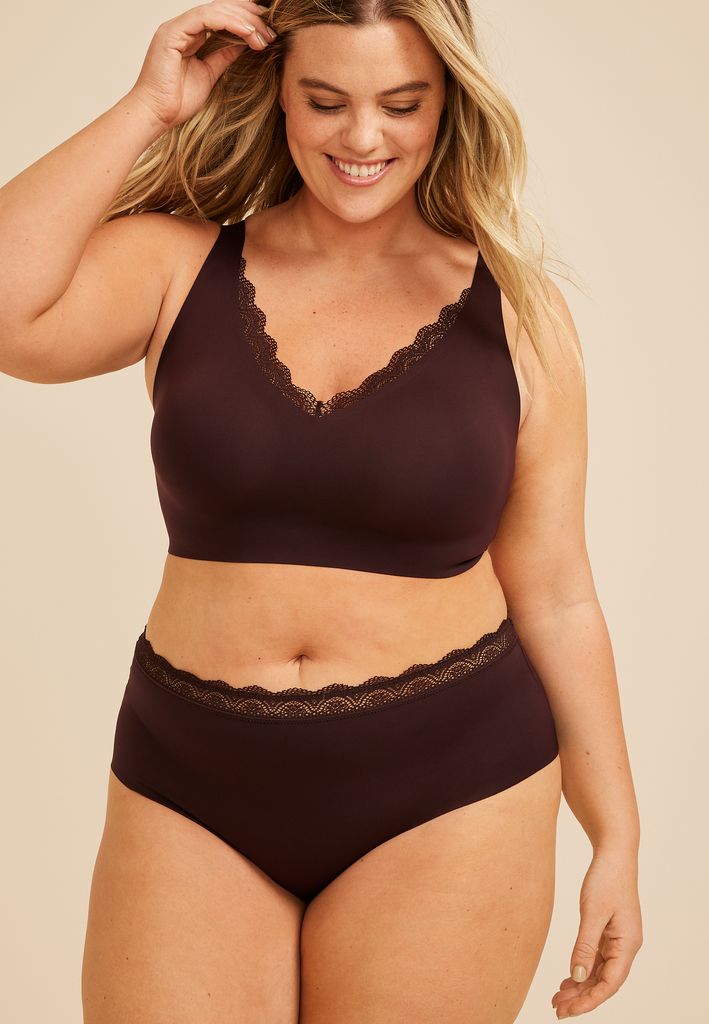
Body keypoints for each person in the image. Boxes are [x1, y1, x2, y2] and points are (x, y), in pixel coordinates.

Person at [0, 1, 643, 1021]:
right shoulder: (179, 266)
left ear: (449, 105)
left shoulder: (518, 313)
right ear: (279, 97)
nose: (362, 136)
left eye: (402, 103)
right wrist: (148, 106)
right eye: (326, 100)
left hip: (450, 785)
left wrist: (615, 836)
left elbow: (558, 593)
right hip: (190, 778)